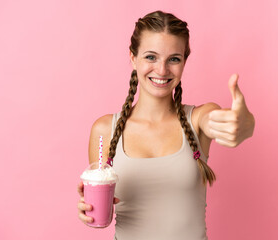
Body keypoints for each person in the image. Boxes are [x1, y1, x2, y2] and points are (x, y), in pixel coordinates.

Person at [77, 10, 255, 240]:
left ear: (184, 61)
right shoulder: (104, 131)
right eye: (151, 57)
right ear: (133, 57)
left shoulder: (198, 119)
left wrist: (242, 123)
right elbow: (102, 213)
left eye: (174, 59)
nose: (162, 70)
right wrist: (89, 210)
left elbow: (233, 123)